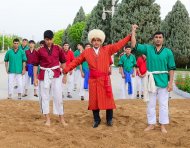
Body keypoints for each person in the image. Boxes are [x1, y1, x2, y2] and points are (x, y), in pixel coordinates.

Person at [63, 29, 131, 128]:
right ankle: (96, 119)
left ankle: (109, 119)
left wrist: (129, 36)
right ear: (91, 41)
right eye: (94, 40)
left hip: (105, 79)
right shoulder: (86, 52)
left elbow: (118, 45)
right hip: (93, 80)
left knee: (108, 100)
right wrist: (66, 70)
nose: (96, 42)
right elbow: (76, 61)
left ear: (101, 41)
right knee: (94, 101)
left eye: (98, 40)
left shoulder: (107, 49)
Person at [131, 24, 176, 133]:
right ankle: (151, 123)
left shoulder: (168, 52)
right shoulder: (148, 49)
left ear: (163, 39)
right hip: (150, 81)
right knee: (150, 104)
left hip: (163, 81)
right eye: (156, 37)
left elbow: (171, 68)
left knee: (163, 104)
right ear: (153, 39)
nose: (158, 39)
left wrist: (170, 83)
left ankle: (163, 125)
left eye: (160, 37)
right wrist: (133, 31)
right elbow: (134, 45)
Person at [33, 30, 67, 126]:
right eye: (47, 39)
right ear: (44, 39)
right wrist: (35, 78)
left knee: (58, 96)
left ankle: (61, 118)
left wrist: (65, 75)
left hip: (56, 74)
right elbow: (35, 65)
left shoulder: (58, 48)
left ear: (53, 39)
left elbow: (63, 62)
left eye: (50, 39)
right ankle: (47, 119)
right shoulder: (39, 50)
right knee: (44, 97)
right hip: (44, 75)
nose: (49, 41)